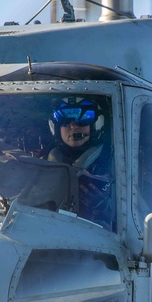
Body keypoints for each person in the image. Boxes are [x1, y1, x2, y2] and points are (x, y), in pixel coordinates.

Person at [46, 96, 115, 229]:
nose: (73, 125)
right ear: (56, 127)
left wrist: (105, 208)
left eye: (84, 118)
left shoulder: (115, 162)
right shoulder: (41, 163)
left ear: (96, 124)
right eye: (65, 120)